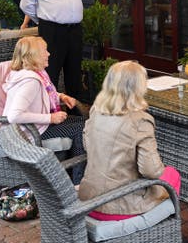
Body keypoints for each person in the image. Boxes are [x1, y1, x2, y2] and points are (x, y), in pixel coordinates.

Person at [78, 61, 182, 220]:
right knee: (172, 175)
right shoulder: (140, 121)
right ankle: (166, 233)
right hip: (120, 205)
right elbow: (151, 171)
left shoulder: (96, 110)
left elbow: (87, 145)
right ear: (138, 87)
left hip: (90, 198)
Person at [2, 36, 86, 172]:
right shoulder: (30, 82)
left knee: (84, 122)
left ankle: (71, 172)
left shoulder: (36, 73)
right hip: (31, 132)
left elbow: (43, 95)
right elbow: (14, 116)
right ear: (33, 56)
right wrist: (51, 118)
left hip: (38, 126)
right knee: (82, 127)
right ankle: (77, 180)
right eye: (44, 51)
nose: (49, 54)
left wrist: (61, 97)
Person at [20, 0, 84, 99]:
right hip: (52, 30)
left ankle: (75, 115)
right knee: (51, 72)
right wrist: (43, 20)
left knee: (74, 72)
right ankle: (51, 113)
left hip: (75, 29)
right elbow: (26, 4)